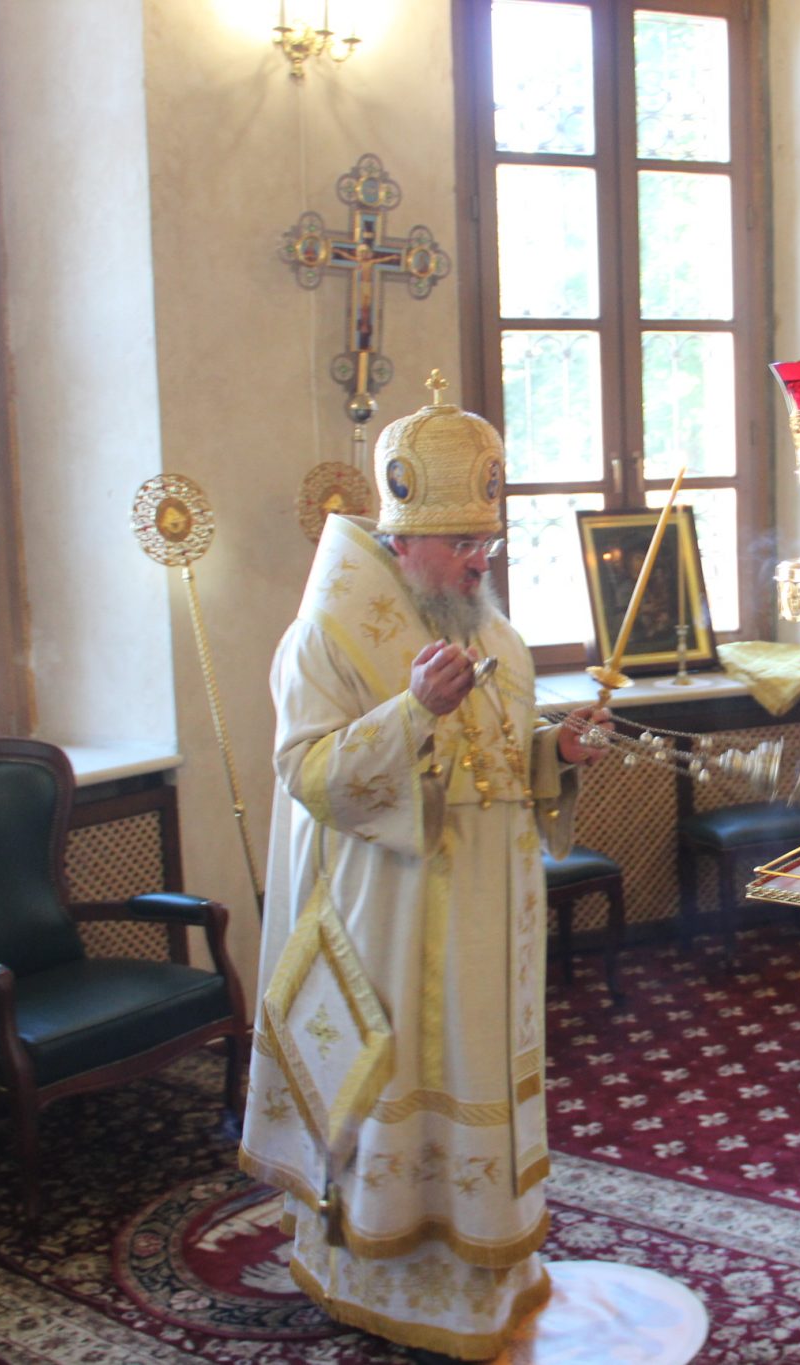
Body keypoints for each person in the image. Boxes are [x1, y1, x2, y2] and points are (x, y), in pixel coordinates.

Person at [240, 379, 608, 1360]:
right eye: (461, 542)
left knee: (482, 1071)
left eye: (487, 539)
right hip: (388, 926)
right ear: (402, 540)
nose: (481, 558)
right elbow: (308, 774)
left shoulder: (494, 635)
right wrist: (410, 713)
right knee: (397, 1078)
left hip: (488, 921)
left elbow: (502, 760)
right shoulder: (325, 637)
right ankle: (375, 1274)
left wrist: (558, 751)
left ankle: (491, 1276)